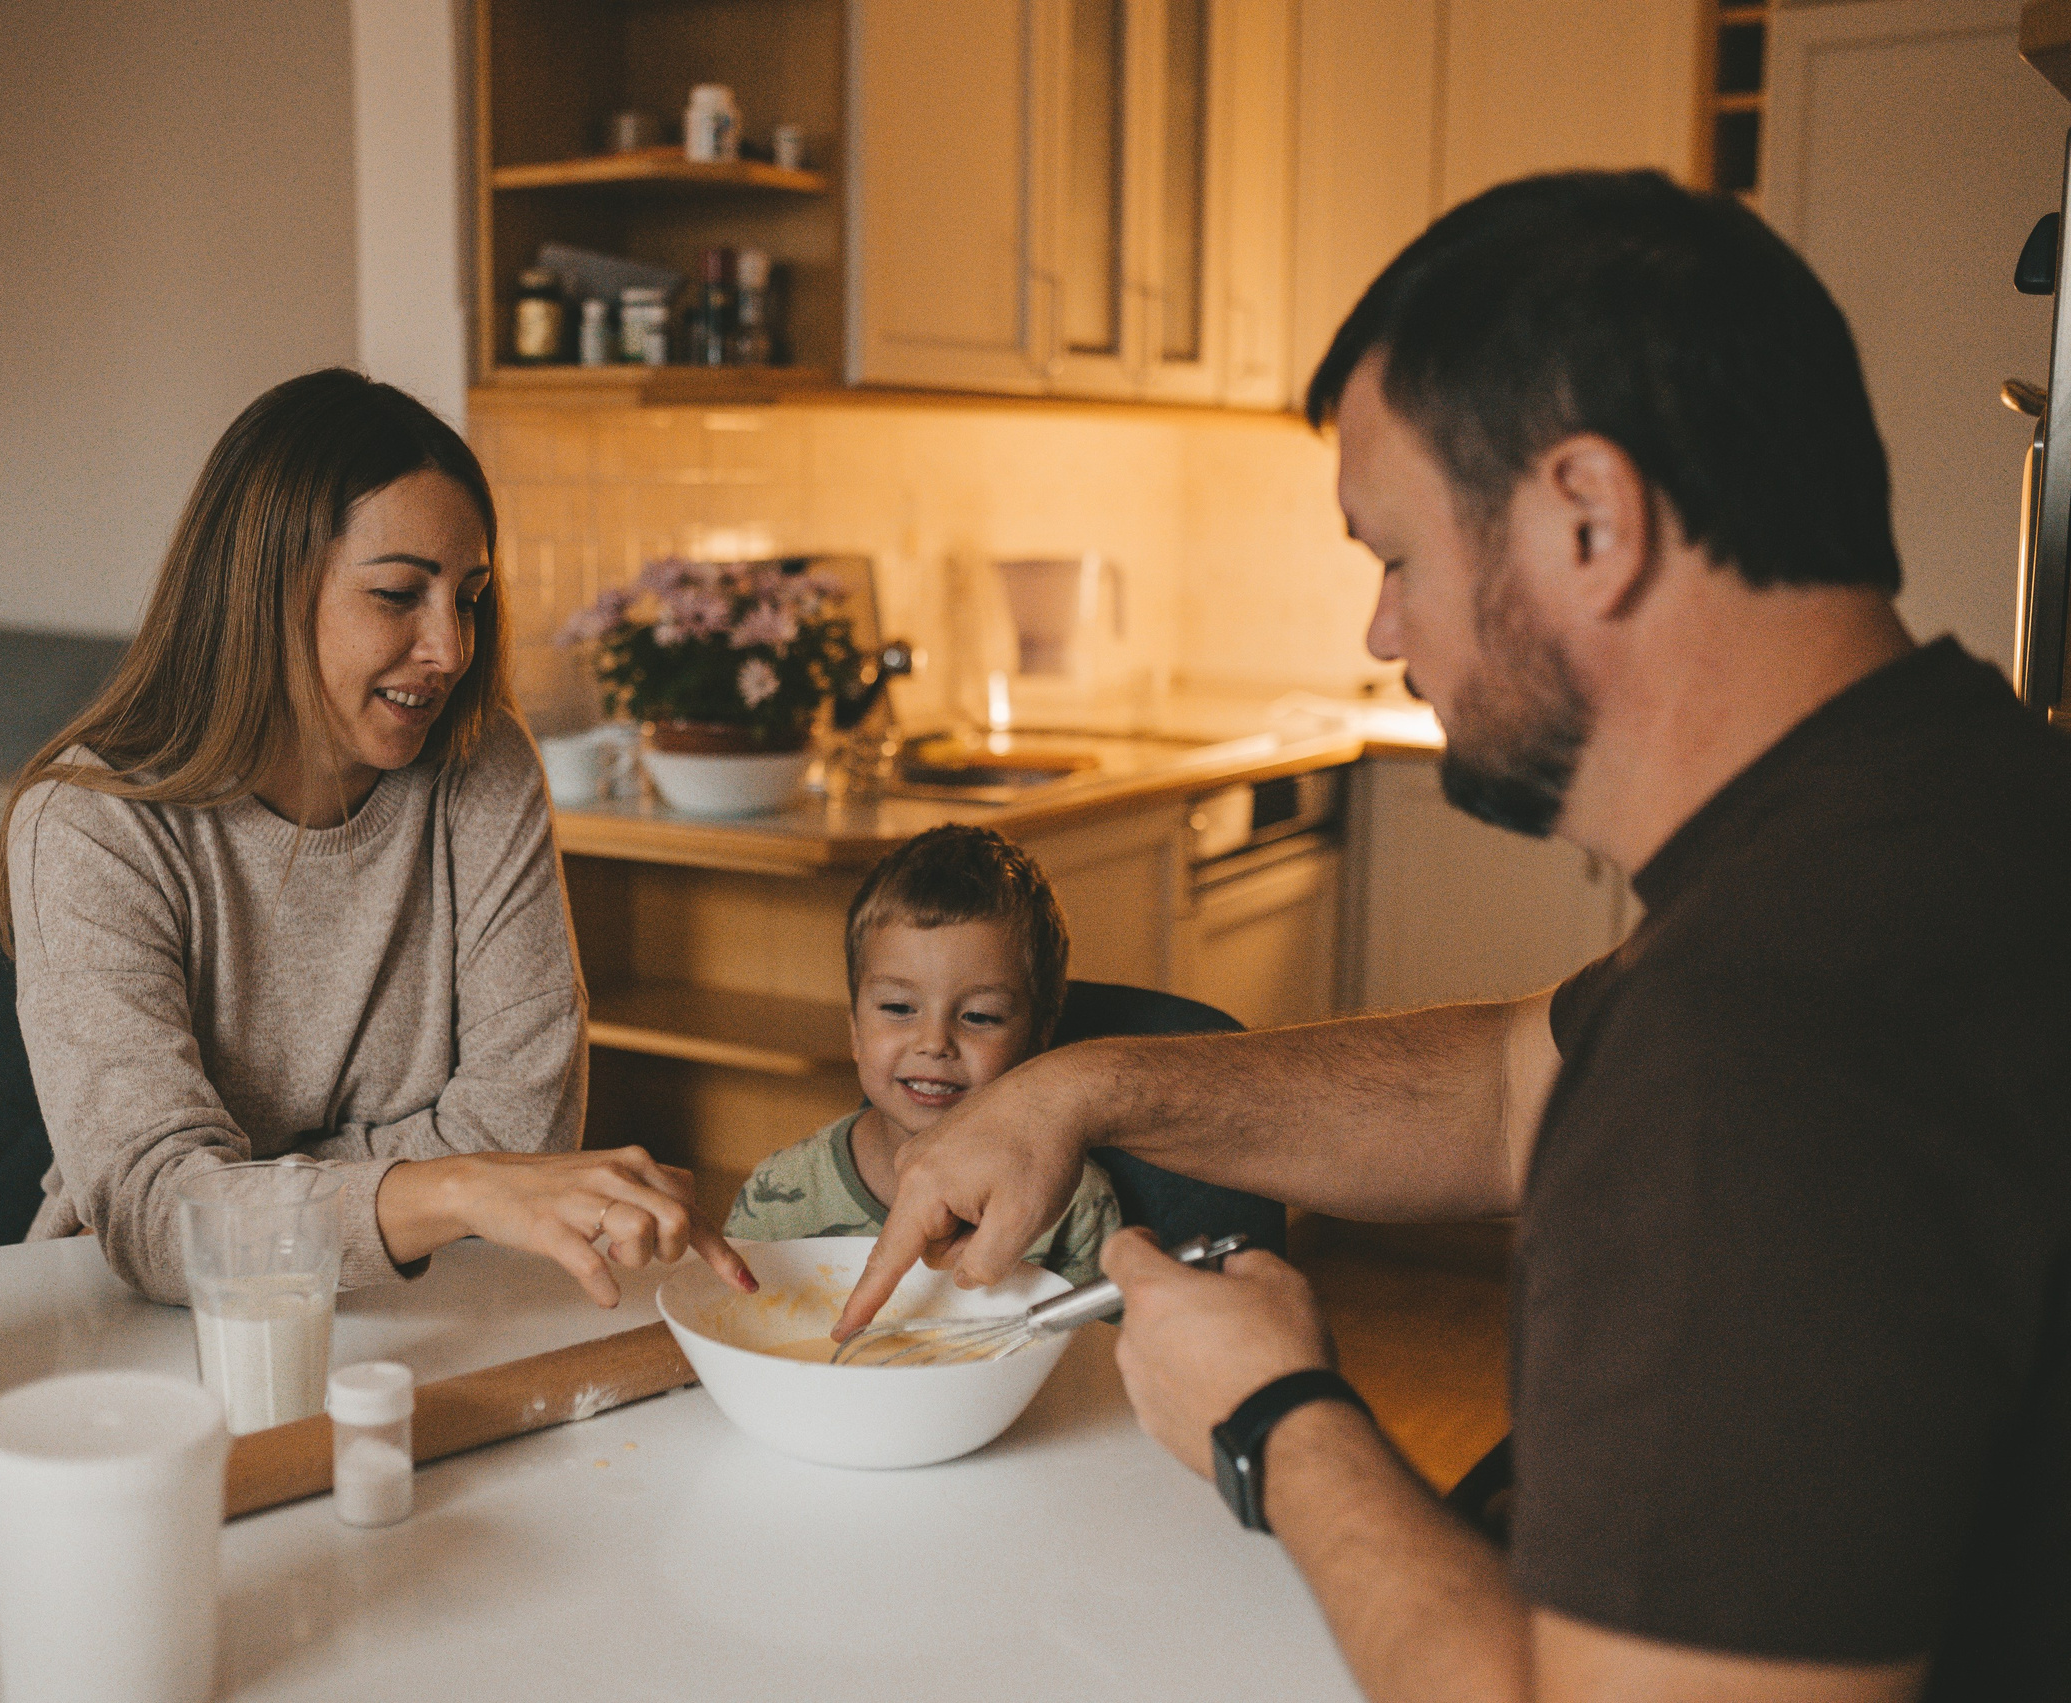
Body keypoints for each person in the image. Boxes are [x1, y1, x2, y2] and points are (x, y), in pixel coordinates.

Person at [833, 172, 2070, 1702]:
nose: (1382, 631)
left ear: (1592, 520)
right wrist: (1071, 1089)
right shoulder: (1949, 806)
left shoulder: (1763, 1038)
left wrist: (1271, 1411)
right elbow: (1506, 1081)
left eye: (1397, 556)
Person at [0, 368, 754, 1309]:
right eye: (399, 594)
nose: (452, 649)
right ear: (262, 589)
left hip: (441, 1299)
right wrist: (459, 1182)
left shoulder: (484, 760)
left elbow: (527, 1131)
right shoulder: (90, 824)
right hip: (160, 1325)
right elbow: (161, 1218)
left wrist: (263, 1185)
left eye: (468, 597)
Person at [723, 825, 1122, 1282]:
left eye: (979, 1016)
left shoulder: (1072, 1201)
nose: (934, 1042)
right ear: (854, 1030)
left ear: (1037, 1039)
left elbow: (1100, 1349)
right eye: (897, 1008)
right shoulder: (782, 1195)